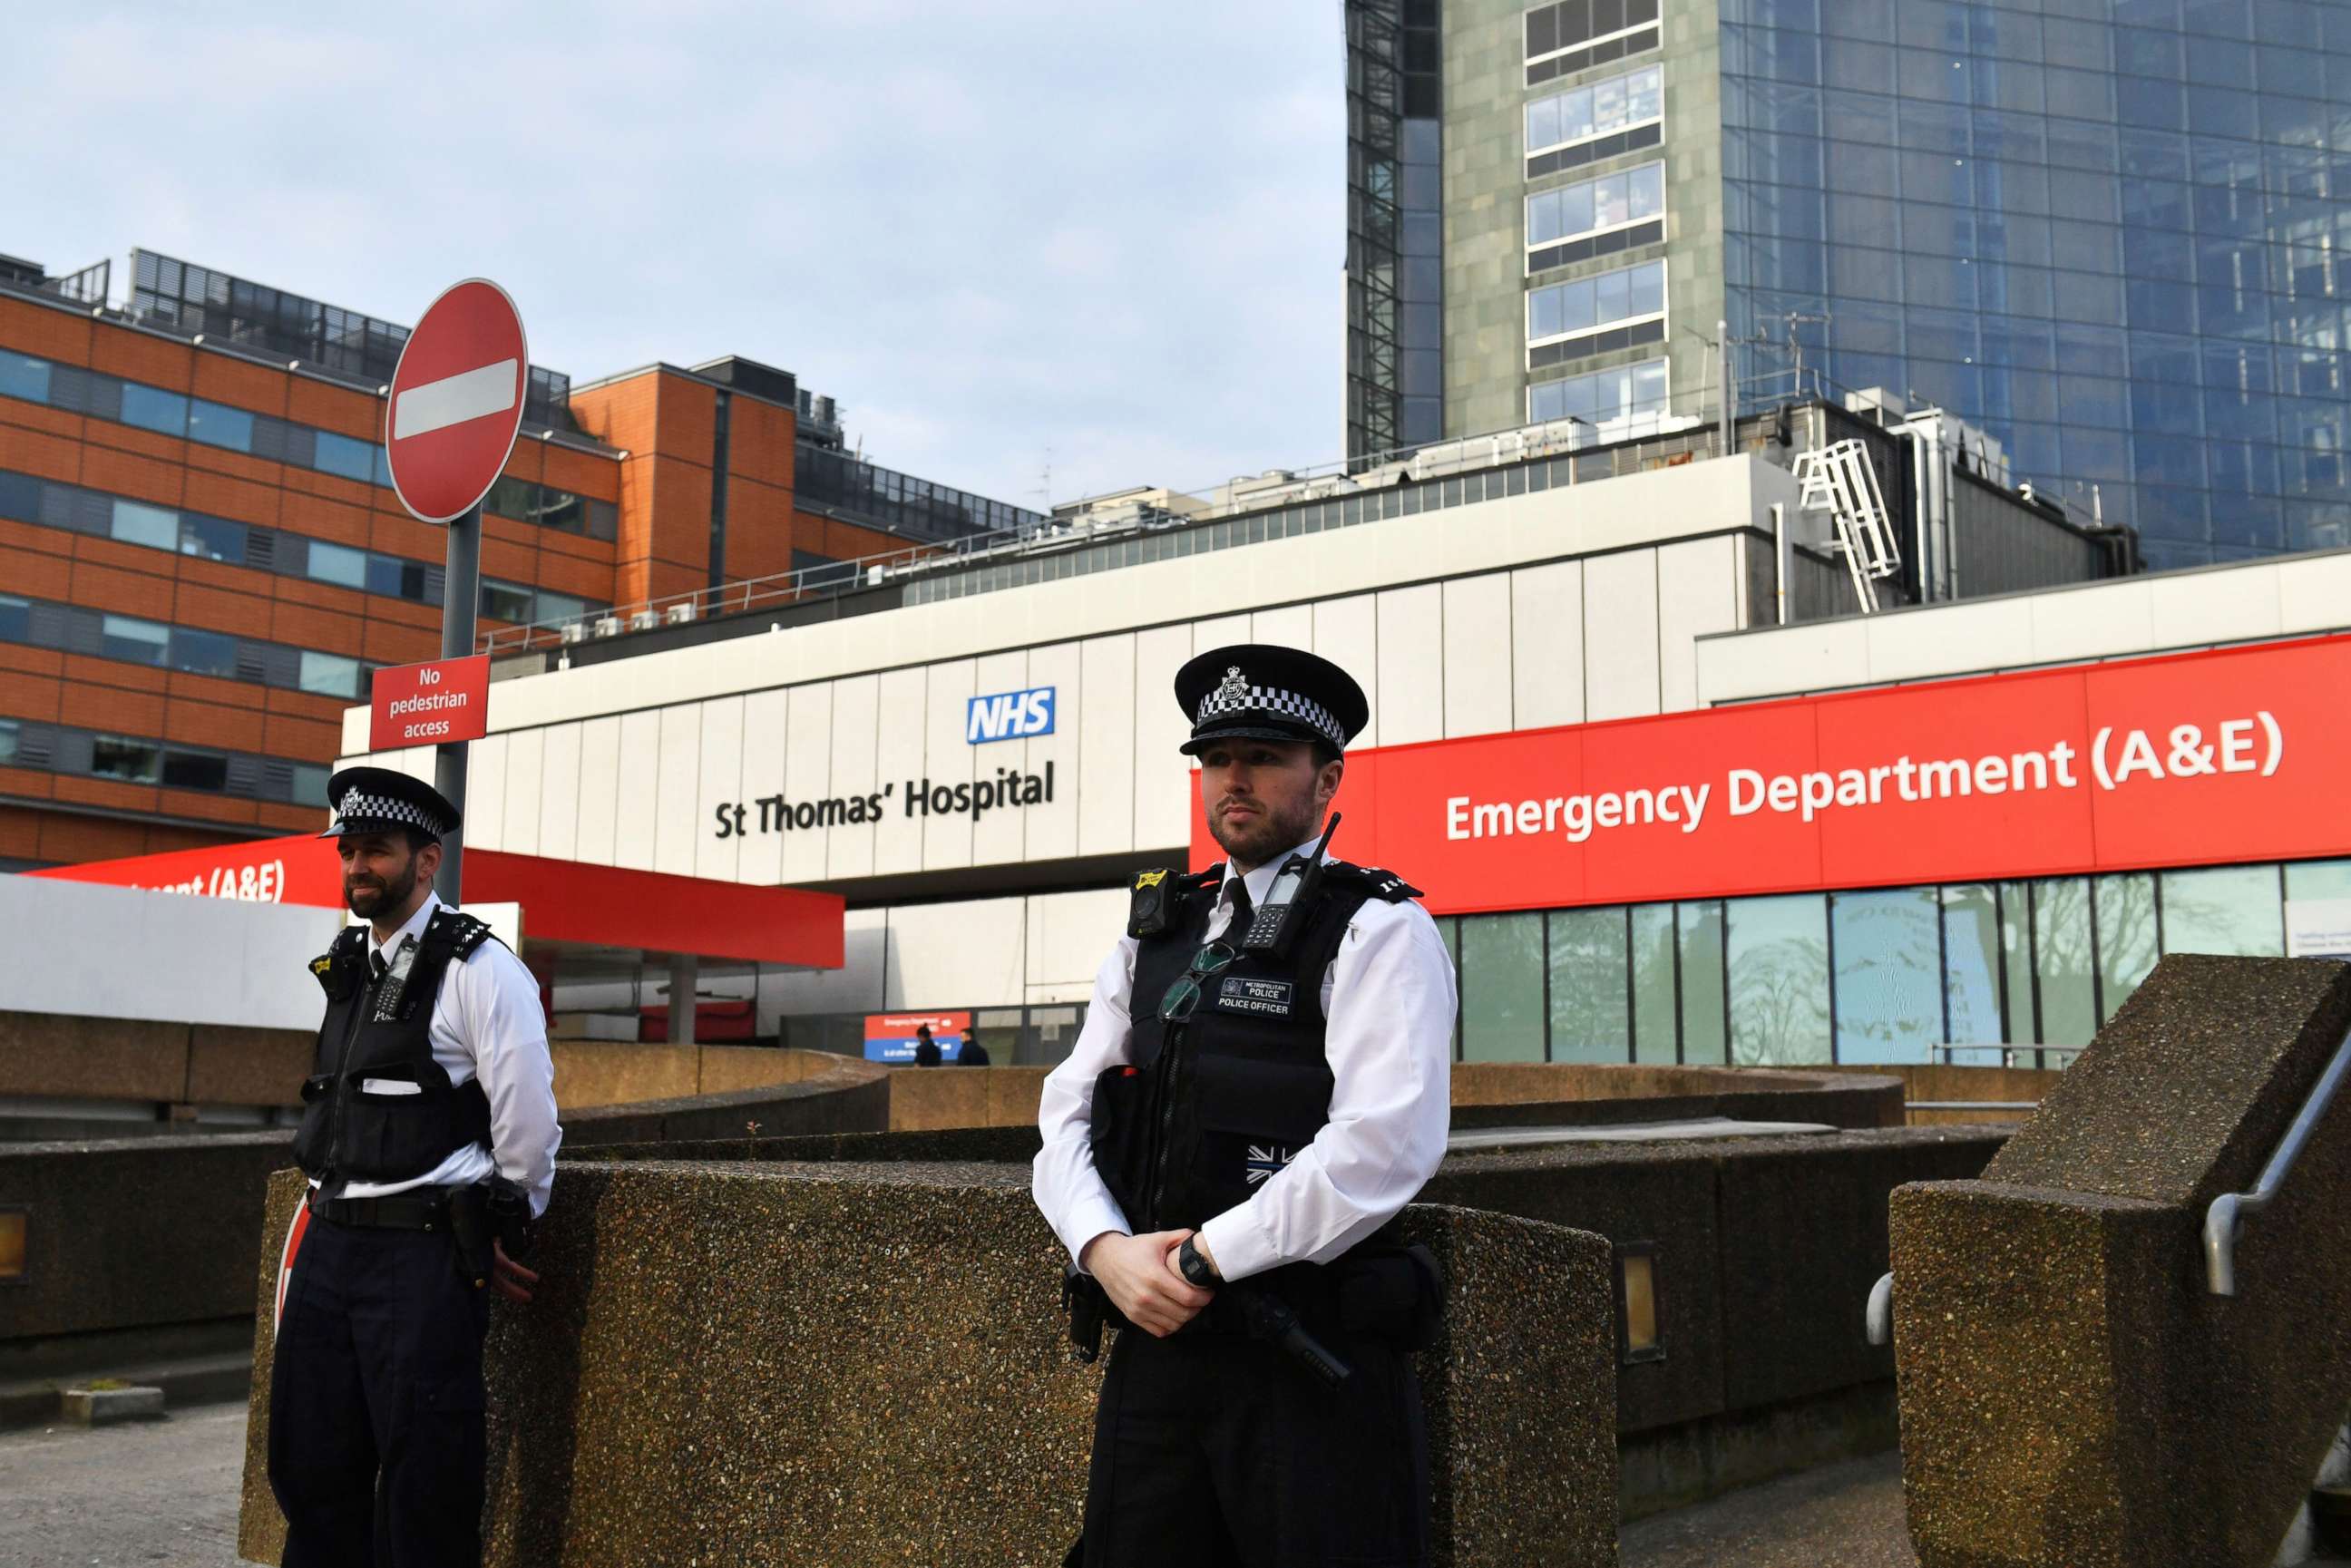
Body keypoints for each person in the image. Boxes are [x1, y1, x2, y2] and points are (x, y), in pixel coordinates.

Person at [1032, 644, 1458, 1567]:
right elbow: (1064, 1115)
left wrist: (1199, 1255)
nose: (1235, 777)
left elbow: (1384, 1146)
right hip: (1156, 1345)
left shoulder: (1380, 928)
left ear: (1327, 775)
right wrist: (1104, 1251)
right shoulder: (1157, 932)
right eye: (1217, 756)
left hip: (1306, 1357)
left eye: (1264, 756)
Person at [268, 766, 562, 1568]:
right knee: (311, 1472)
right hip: (329, 1250)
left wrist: (508, 1220)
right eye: (349, 850)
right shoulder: (349, 964)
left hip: (421, 1260)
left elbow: (528, 1123)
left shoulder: (481, 969)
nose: (358, 866)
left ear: (426, 862)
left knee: (425, 1490)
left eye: (377, 851)